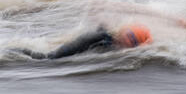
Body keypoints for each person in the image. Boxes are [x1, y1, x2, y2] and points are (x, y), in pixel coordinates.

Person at [22, 24, 153, 60]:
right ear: (124, 30)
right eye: (129, 35)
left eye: (133, 40)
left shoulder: (115, 42)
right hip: (72, 47)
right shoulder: (101, 37)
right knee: (46, 58)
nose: (128, 39)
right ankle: (14, 50)